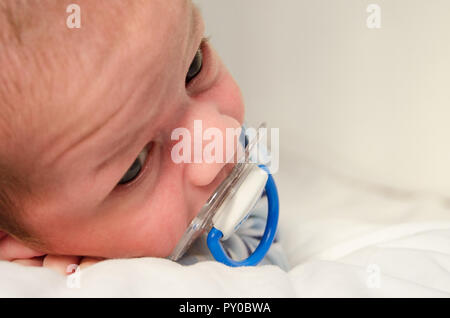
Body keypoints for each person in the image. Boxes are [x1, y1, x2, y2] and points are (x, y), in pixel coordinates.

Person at [0, 0, 289, 274]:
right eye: (134, 166)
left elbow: (266, 253)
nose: (221, 140)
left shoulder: (240, 147)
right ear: (10, 239)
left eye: (193, 66)